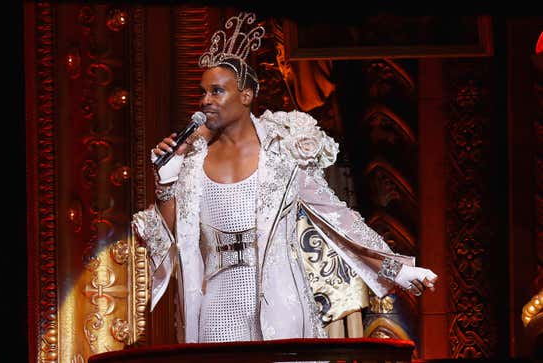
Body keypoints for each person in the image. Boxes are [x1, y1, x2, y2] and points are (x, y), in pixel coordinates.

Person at [131, 12, 437, 344]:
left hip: (279, 303)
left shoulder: (282, 155)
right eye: (203, 92)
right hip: (216, 305)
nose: (205, 100)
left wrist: (398, 270)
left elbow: (341, 222)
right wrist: (164, 180)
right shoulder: (191, 160)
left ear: (246, 96)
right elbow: (169, 234)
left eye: (217, 91)